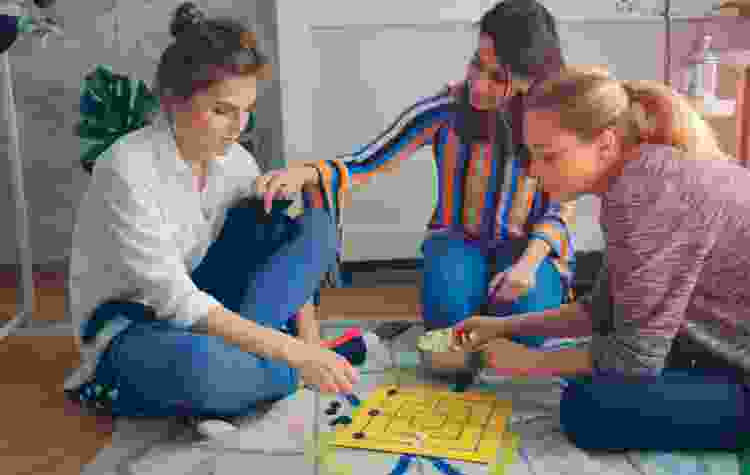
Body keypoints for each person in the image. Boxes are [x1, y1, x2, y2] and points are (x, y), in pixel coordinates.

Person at [63, 2, 359, 424]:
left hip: (216, 305)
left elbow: (269, 246)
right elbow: (173, 300)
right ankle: (265, 365)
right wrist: (295, 352)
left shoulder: (236, 161)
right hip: (136, 327)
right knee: (204, 372)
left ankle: (264, 362)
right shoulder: (125, 168)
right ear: (173, 99)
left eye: (246, 110)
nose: (239, 126)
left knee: (317, 228)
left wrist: (311, 342)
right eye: (222, 111)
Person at [452, 67, 750, 451]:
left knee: (588, 407)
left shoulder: (646, 194)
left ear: (606, 145)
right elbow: (604, 311)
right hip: (721, 341)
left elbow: (634, 360)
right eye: (532, 156)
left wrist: (527, 364)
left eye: (549, 157)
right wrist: (503, 327)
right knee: (592, 371)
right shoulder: (639, 176)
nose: (536, 174)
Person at [254, 0, 577, 349]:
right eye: (476, 65)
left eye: (498, 77)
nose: (478, 85)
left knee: (531, 330)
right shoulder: (448, 109)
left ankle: (498, 301)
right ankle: (472, 298)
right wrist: (306, 172)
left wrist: (527, 266)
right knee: (447, 332)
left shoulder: (553, 121)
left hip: (529, 247)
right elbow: (371, 159)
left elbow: (560, 206)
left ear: (530, 80)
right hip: (458, 238)